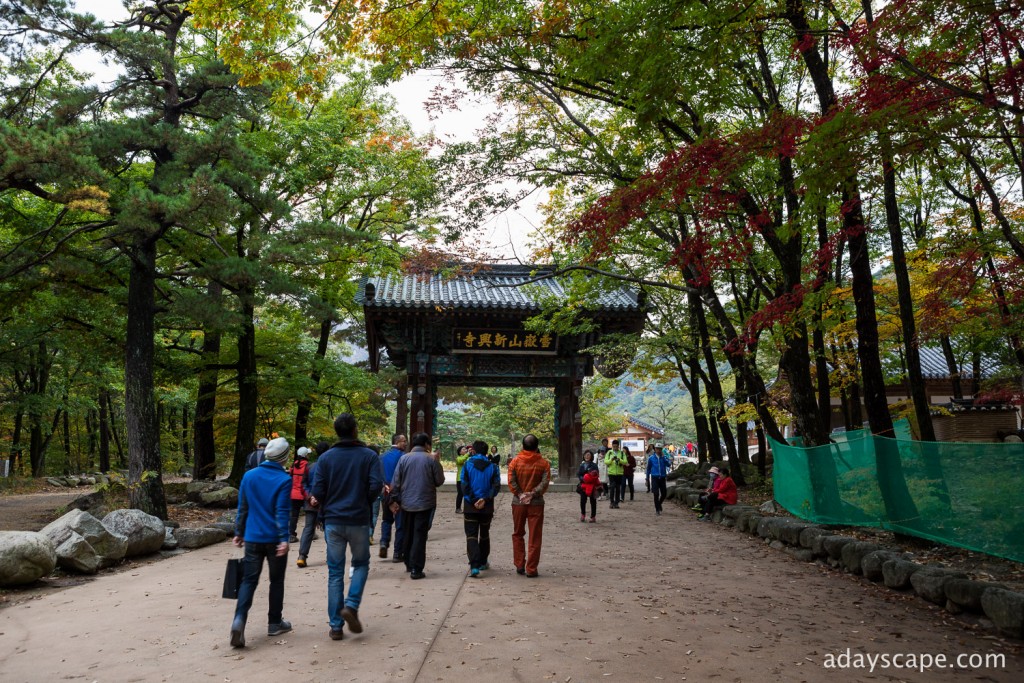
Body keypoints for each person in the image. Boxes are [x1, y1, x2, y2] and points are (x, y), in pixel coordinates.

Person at [308, 413, 384, 641]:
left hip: (332, 521)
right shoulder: (369, 456)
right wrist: (363, 500)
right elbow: (376, 485)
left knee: (335, 573)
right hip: (358, 519)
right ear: (355, 430)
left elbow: (318, 492)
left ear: (336, 431)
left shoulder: (326, 458)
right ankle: (351, 605)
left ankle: (335, 626)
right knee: (360, 564)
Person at [230, 436, 293, 648]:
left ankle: (239, 620)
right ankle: (274, 622)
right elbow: (282, 511)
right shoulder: (284, 479)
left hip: (253, 537)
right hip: (274, 540)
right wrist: (284, 538)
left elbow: (243, 507)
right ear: (283, 458)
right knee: (276, 581)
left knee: (249, 581)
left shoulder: (249, 476)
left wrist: (238, 532)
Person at [389, 432, 445, 580]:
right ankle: (416, 568)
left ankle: (408, 563)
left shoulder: (404, 458)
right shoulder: (431, 459)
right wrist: (437, 462)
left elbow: (395, 482)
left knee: (408, 533)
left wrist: (394, 500)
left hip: (406, 503)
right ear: (427, 445)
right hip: (425, 503)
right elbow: (439, 481)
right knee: (419, 535)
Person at [507, 434, 551, 577]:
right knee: (535, 536)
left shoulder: (515, 462)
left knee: (518, 533)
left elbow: (511, 481)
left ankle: (520, 564)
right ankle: (531, 568)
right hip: (536, 503)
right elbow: (545, 483)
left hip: (518, 503)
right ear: (537, 447)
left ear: (522, 446)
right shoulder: (543, 464)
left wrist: (520, 494)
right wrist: (532, 494)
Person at [462, 440, 500, 577]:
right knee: (484, 533)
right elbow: (496, 487)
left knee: (471, 535)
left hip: (470, 507)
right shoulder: (493, 467)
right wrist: (485, 499)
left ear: (474, 451)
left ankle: (474, 565)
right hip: (486, 507)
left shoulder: (467, 465)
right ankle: (483, 561)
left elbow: (464, 485)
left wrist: (473, 500)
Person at [296, 441, 329, 568]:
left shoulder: (309, 467)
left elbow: (303, 484)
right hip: (325, 504)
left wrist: (310, 497)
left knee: (308, 529)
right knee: (328, 528)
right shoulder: (330, 467)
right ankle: (331, 555)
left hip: (311, 503)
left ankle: (302, 556)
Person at [379, 433, 407, 562]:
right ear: (397, 442)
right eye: (403, 441)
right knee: (400, 524)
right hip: (400, 493)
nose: (406, 443)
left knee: (386, 520)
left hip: (386, 492)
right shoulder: (404, 457)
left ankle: (384, 542)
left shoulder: (382, 457)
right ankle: (397, 553)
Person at [288, 447, 311, 543]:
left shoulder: (293, 465)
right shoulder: (307, 466)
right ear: (306, 455)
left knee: (294, 516)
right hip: (304, 493)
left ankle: (291, 535)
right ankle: (310, 534)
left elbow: (290, 476)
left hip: (294, 494)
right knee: (309, 514)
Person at [646, 445, 672, 516]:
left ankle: (659, 503)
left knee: (664, 494)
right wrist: (647, 478)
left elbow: (669, 464)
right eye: (657, 449)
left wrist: (664, 458)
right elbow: (648, 469)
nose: (658, 450)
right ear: (655, 449)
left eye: (660, 449)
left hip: (662, 477)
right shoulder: (651, 458)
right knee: (656, 494)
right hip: (654, 477)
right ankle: (657, 509)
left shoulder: (663, 458)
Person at [576, 449, 600, 523]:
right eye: (585, 454)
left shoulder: (594, 465)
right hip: (583, 484)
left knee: (593, 501)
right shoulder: (582, 465)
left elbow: (596, 474)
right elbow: (579, 474)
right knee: (583, 500)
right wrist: (582, 478)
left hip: (592, 485)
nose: (587, 456)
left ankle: (593, 517)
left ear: (591, 456)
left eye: (588, 455)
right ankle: (583, 514)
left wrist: (590, 478)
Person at [605, 439, 626, 509]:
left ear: (618, 446)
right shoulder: (609, 453)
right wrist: (611, 460)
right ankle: (611, 502)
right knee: (612, 487)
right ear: (612, 446)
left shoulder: (622, 453)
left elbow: (625, 462)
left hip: (619, 473)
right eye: (613, 446)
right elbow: (606, 462)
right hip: (611, 473)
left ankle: (616, 503)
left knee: (618, 488)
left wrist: (620, 460)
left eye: (616, 446)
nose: (615, 448)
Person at [455, 444, 470, 513]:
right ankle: (458, 508)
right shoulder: (458, 458)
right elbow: (461, 460)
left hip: (467, 478)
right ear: (460, 452)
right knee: (460, 494)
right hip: (460, 479)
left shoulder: (468, 458)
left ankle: (467, 508)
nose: (465, 450)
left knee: (467, 494)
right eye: (463, 449)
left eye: (465, 449)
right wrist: (468, 454)